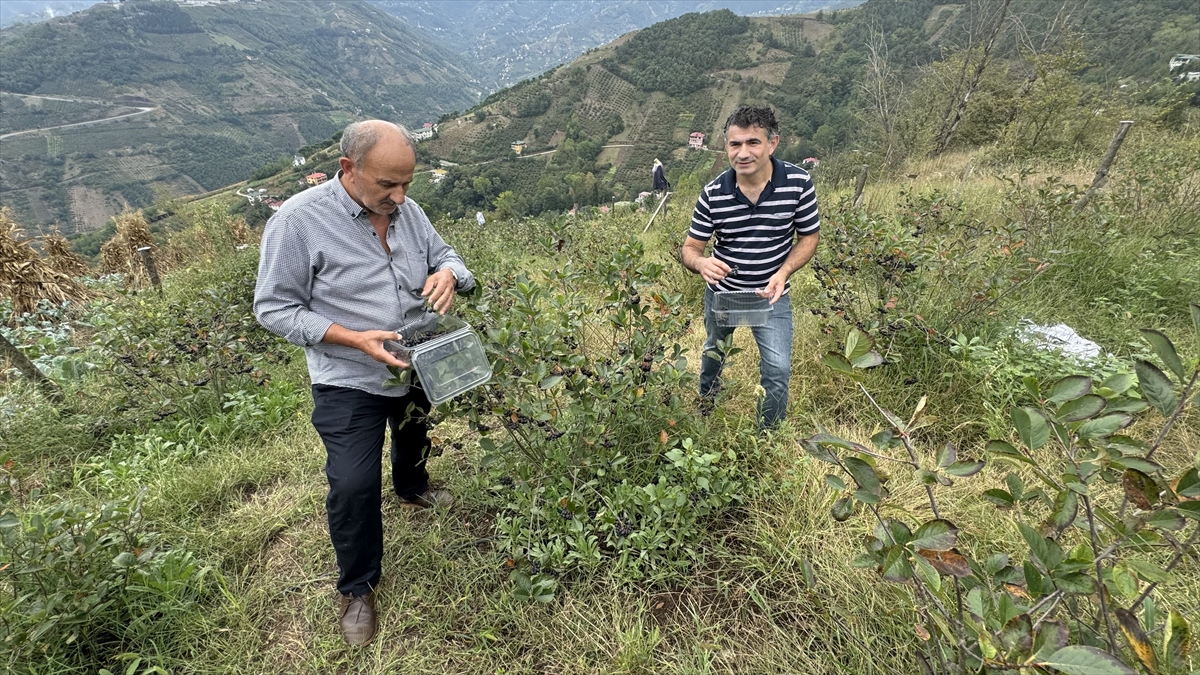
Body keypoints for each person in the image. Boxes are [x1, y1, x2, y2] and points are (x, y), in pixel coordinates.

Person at [253, 120, 475, 647]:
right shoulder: (299, 222)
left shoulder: (407, 210)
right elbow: (273, 307)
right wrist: (354, 339)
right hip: (347, 377)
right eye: (386, 186)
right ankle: (357, 587)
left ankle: (413, 486)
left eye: (407, 185)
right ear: (347, 170)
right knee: (352, 484)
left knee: (416, 430)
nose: (399, 197)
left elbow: (448, 256)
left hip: (417, 359)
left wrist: (448, 274)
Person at [680, 105, 820, 429]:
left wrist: (783, 273)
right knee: (714, 355)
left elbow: (809, 236)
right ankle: (706, 407)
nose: (743, 153)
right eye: (735, 144)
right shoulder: (713, 194)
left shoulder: (798, 183)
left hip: (770, 295)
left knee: (778, 369)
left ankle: (766, 438)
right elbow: (690, 248)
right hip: (724, 295)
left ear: (772, 144)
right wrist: (701, 263)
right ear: (726, 146)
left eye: (752, 142)